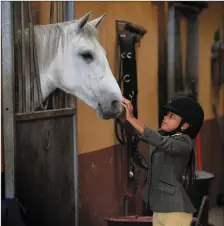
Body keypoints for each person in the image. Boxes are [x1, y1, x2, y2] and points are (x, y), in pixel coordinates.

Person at [119, 95, 204, 226]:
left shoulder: (184, 142)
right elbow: (141, 134)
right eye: (167, 114)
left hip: (175, 211)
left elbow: (159, 141)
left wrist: (132, 118)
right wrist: (122, 117)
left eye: (172, 116)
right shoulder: (163, 136)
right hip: (159, 208)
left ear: (185, 125)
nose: (165, 117)